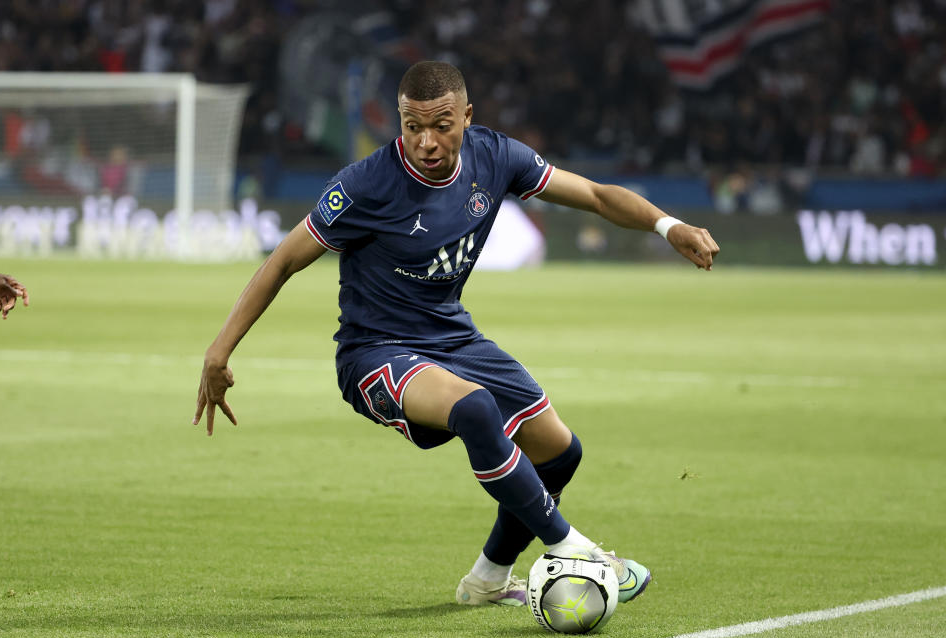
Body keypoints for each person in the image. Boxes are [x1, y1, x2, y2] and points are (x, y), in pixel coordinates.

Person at [193, 61, 719, 608]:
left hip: (451, 336)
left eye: (441, 125)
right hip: (375, 352)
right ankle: (576, 550)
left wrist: (668, 225)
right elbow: (281, 261)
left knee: (559, 454)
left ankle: (488, 579)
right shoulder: (364, 185)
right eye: (411, 126)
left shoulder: (496, 158)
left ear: (467, 116)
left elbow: (595, 195)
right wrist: (219, 350)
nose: (426, 142)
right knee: (476, 409)